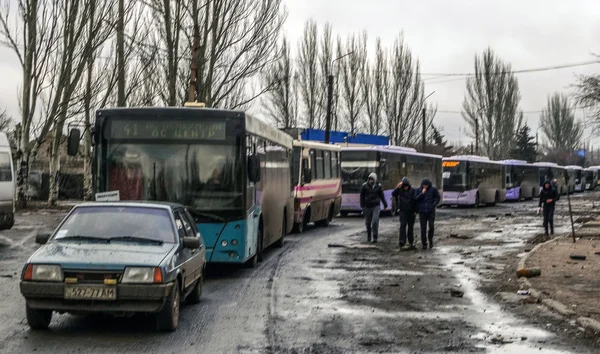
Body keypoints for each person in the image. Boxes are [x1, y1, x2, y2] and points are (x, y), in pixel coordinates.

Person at [360, 172, 388, 243]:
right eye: (370, 179)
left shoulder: (379, 186)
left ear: (375, 179)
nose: (371, 181)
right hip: (367, 206)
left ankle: (375, 237)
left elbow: (382, 196)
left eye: (372, 179)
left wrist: (385, 205)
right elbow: (362, 197)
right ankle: (369, 236)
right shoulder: (364, 186)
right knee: (368, 222)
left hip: (376, 206)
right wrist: (362, 206)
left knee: (375, 221)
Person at [392, 177, 417, 250]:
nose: (405, 188)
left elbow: (416, 200)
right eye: (404, 186)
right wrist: (398, 187)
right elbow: (393, 194)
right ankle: (402, 240)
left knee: (410, 227)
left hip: (411, 211)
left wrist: (415, 210)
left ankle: (411, 241)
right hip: (403, 210)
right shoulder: (400, 190)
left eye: (406, 186)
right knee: (402, 225)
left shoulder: (413, 190)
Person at [415, 178, 441, 250]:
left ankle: (430, 240)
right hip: (422, 212)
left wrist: (433, 205)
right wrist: (422, 193)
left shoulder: (433, 189)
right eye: (424, 185)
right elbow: (416, 198)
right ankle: (424, 243)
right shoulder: (418, 189)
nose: (425, 187)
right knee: (423, 228)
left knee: (431, 226)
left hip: (431, 211)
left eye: (426, 185)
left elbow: (438, 197)